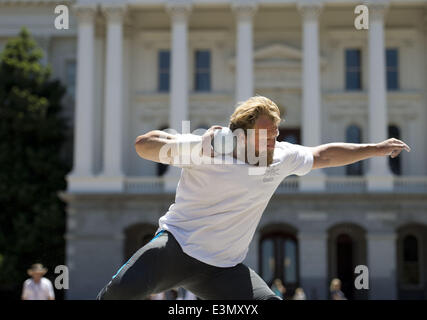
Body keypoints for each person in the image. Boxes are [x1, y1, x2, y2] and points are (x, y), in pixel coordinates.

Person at [96, 95, 411, 300]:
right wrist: (196, 143)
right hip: (176, 248)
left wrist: (376, 149)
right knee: (120, 292)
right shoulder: (206, 149)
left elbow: (323, 155)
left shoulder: (279, 157)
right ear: (241, 135)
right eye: (267, 133)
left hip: (223, 268)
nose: (275, 140)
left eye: (276, 132)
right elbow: (144, 144)